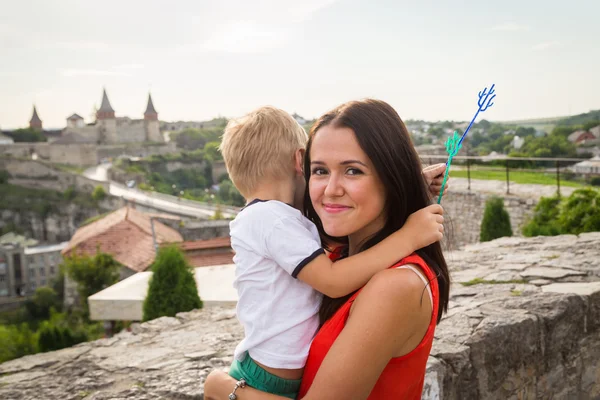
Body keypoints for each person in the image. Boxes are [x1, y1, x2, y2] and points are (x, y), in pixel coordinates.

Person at [204, 99, 451, 400]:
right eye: (320, 171)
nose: (331, 189)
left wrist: (222, 388)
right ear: (302, 165)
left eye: (353, 171)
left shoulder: (395, 286)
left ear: (392, 178)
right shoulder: (339, 256)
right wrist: (412, 192)